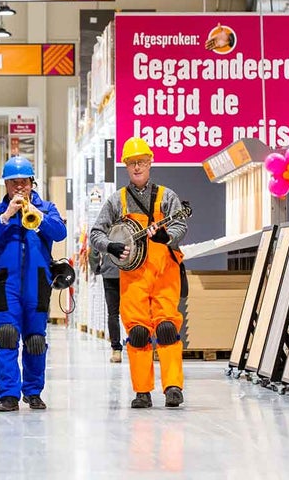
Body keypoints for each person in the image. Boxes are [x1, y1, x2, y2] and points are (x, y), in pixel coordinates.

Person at [89, 137, 188, 409]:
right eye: (132, 163)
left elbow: (181, 225)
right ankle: (142, 391)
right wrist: (109, 245)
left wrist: (167, 236)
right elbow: (95, 232)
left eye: (141, 162)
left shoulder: (167, 196)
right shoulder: (117, 200)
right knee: (139, 332)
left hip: (164, 271)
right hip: (133, 277)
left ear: (150, 162)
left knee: (167, 328)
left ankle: (173, 387)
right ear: (125, 165)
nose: (137, 167)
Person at [0, 156, 67, 412]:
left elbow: (59, 232)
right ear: (6, 185)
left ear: (32, 183)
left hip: (38, 282)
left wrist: (37, 215)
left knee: (36, 339)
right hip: (6, 283)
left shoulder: (47, 208)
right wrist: (7, 216)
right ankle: (8, 395)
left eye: (24, 182)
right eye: (13, 183)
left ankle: (33, 391)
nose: (19, 187)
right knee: (6, 337)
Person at [88, 247, 123, 363]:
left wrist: (97, 268)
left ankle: (116, 350)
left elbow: (94, 249)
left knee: (113, 313)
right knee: (134, 310)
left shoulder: (103, 227)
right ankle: (137, 345)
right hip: (130, 270)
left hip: (110, 271)